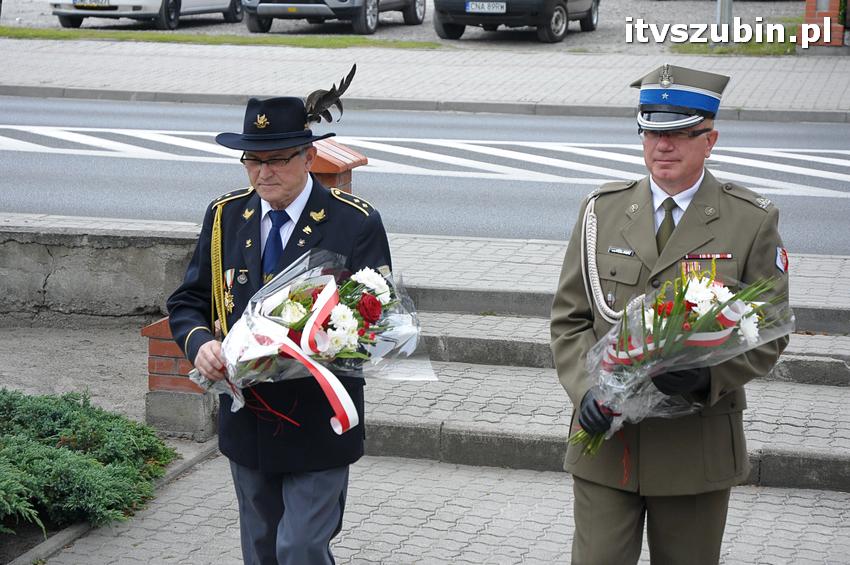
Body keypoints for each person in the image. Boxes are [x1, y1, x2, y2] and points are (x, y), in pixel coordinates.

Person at [550, 64, 790, 564]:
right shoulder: (602, 211)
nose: (663, 145)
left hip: (694, 449)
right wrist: (585, 389)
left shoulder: (750, 220)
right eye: (653, 131)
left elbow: (769, 330)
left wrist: (706, 377)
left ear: (711, 139)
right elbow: (569, 319)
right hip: (607, 442)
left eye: (680, 133)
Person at [166, 88, 391, 565]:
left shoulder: (354, 223)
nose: (263, 172)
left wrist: (317, 344)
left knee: (301, 548)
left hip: (318, 417)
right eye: (252, 160)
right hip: (248, 418)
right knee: (262, 548)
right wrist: (201, 344)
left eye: (277, 160)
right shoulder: (226, 215)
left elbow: (378, 317)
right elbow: (189, 302)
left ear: (309, 156)